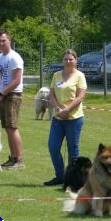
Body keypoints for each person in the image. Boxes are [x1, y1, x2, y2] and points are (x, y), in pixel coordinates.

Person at [43, 49, 87, 186]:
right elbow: (51, 94)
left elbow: (80, 96)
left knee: (73, 150)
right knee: (53, 147)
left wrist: (67, 109)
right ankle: (60, 176)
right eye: (66, 59)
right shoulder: (56, 75)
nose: (68, 61)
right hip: (58, 118)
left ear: (76, 61)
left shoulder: (80, 76)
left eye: (71, 59)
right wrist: (58, 109)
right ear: (62, 61)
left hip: (74, 118)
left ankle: (72, 180)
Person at [0, 29, 25, 169]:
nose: (1, 43)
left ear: (9, 40)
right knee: (7, 128)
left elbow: (16, 81)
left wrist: (1, 94)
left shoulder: (15, 57)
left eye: (4, 40)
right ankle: (13, 158)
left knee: (12, 127)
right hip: (2, 95)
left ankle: (20, 160)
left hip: (12, 95)